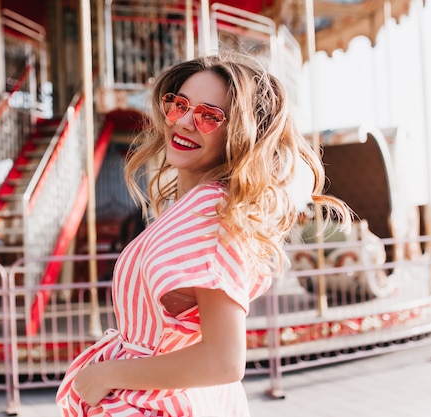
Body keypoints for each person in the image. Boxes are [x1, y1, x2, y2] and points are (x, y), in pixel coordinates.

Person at [56, 53, 350, 416]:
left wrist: (105, 375)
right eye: (178, 105)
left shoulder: (210, 212)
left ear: (238, 133)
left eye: (209, 116)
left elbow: (223, 359)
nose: (184, 123)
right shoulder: (197, 207)